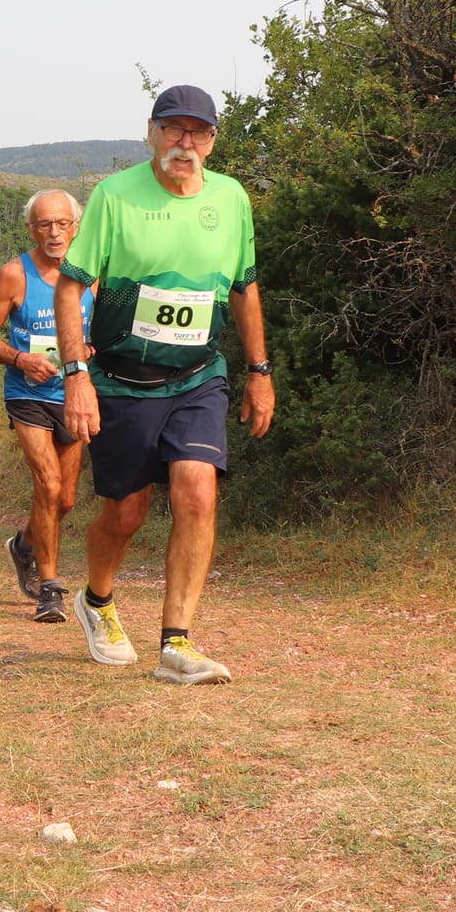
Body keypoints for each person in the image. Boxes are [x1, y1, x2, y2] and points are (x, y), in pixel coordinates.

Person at [53, 84, 275, 685]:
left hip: (199, 376)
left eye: (198, 132)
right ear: (151, 133)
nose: (185, 142)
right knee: (125, 514)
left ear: (213, 141)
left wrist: (259, 372)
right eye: (173, 129)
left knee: (198, 492)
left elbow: (244, 286)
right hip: (123, 379)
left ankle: (176, 644)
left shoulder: (230, 198)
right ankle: (97, 600)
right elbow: (70, 287)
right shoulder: (115, 196)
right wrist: (76, 377)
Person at [0, 189, 95, 623]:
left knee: (66, 499)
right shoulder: (14, 274)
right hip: (28, 395)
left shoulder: (92, 273)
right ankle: (50, 589)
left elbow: (104, 331)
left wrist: (90, 351)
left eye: (62, 223)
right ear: (31, 229)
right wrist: (21, 359)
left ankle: (25, 545)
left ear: (76, 227)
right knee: (48, 485)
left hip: (74, 395)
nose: (54, 233)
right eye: (44, 224)